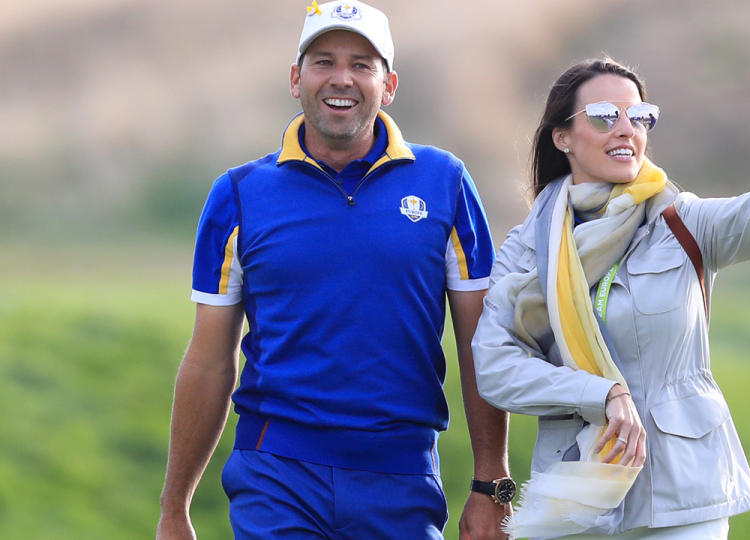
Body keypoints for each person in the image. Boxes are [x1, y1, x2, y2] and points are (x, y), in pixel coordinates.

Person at [471, 58, 750, 539]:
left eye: (640, 116)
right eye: (605, 116)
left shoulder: (681, 221)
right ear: (562, 136)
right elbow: (495, 366)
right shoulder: (528, 247)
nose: (626, 130)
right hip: (576, 496)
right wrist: (600, 393)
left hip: (684, 499)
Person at [156, 2, 513, 539]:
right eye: (323, 61)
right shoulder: (238, 195)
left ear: (388, 84)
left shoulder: (446, 182)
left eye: (361, 65)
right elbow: (210, 360)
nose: (340, 79)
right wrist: (173, 509)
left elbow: (479, 343)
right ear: (296, 78)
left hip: (400, 475)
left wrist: (492, 483)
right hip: (275, 473)